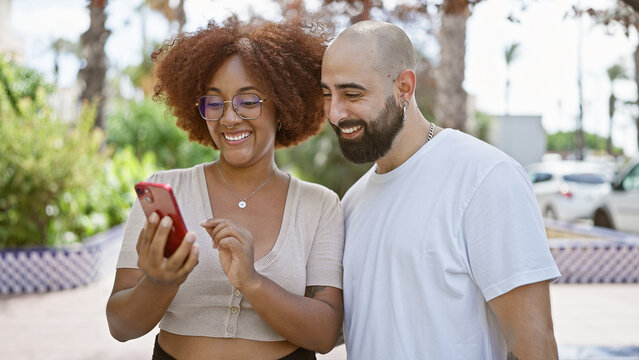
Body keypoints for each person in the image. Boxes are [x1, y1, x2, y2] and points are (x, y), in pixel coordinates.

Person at [320, 20, 561, 360]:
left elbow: (533, 343)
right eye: (327, 94)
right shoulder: (353, 202)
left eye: (352, 94)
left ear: (404, 87)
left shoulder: (486, 178)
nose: (335, 112)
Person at [106, 17, 344, 360]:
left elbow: (324, 334)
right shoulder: (165, 189)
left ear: (283, 105)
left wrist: (253, 282)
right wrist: (160, 282)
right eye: (214, 103)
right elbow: (121, 326)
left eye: (248, 101)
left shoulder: (319, 205)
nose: (229, 118)